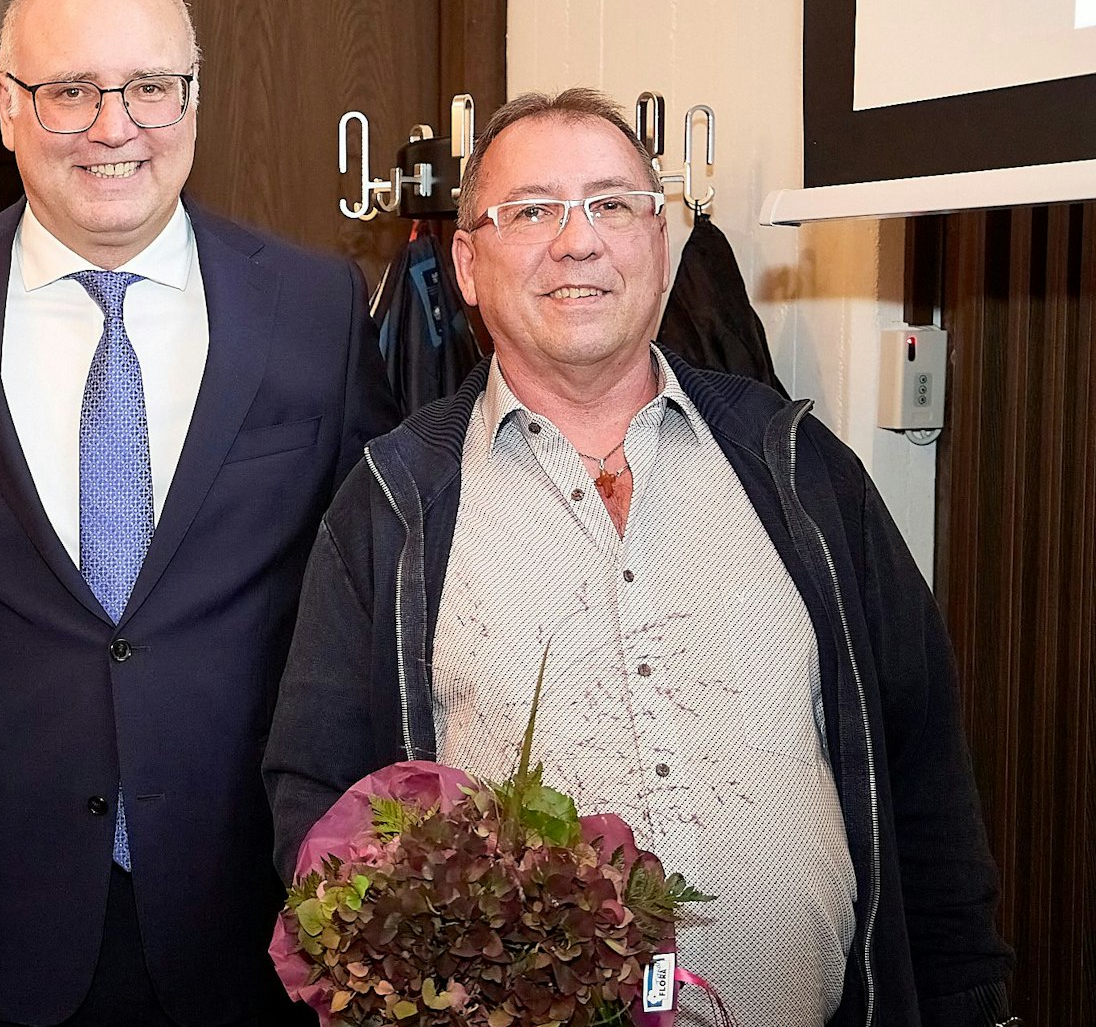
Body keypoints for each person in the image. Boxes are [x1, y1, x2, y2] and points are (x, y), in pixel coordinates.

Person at [264, 89, 1016, 1027]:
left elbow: (926, 775)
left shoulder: (802, 474)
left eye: (613, 204)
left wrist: (970, 999)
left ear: (660, 243)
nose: (578, 242)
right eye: (532, 210)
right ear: (466, 261)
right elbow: (316, 801)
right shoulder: (393, 507)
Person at [0, 0, 395, 1027]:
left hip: (248, 907)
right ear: (7, 106)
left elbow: (359, 602)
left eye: (149, 87)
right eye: (69, 92)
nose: (114, 126)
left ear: (192, 98)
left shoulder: (313, 306)